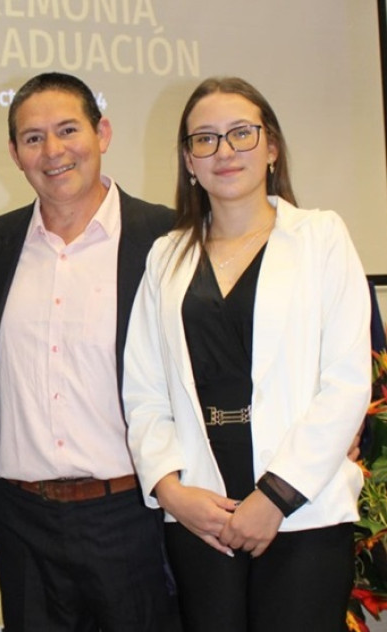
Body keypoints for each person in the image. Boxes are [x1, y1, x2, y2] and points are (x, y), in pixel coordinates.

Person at [122, 76, 370, 631]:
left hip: (302, 511)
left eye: (241, 134)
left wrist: (275, 499)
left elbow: (346, 383)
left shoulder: (321, 238)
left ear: (272, 146)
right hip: (200, 517)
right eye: (204, 139)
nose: (225, 151)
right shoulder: (166, 256)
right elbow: (143, 392)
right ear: (188, 159)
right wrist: (173, 492)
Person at [0, 72, 178, 631]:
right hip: (22, 524)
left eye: (68, 130)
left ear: (102, 132)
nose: (53, 151)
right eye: (33, 138)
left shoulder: (166, 238)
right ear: (15, 153)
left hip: (132, 516)